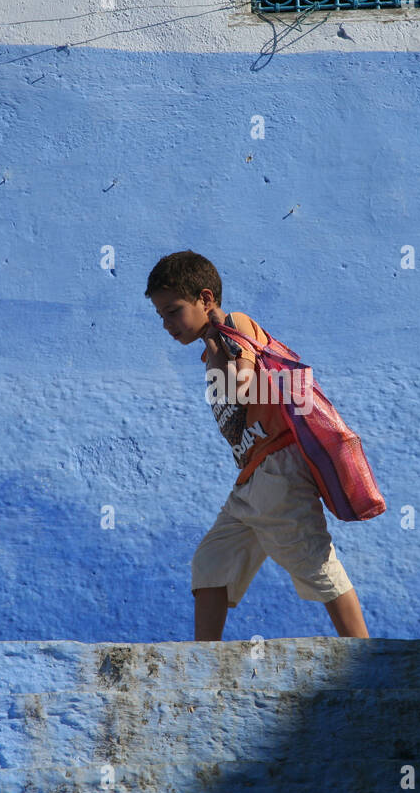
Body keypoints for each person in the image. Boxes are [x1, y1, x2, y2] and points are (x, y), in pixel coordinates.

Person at [145, 250, 370, 641]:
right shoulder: (213, 346)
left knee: (315, 562)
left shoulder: (236, 324)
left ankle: (366, 657)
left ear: (206, 299)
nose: (167, 324)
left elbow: (244, 384)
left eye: (173, 311)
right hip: (252, 477)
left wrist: (225, 349)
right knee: (212, 562)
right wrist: (216, 352)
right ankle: (205, 662)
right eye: (161, 315)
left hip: (279, 469)